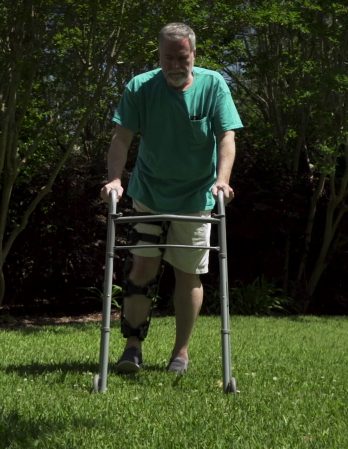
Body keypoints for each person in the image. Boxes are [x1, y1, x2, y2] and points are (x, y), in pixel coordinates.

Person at [99, 22, 243, 374]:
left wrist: (223, 181)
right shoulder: (140, 86)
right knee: (143, 267)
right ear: (159, 56)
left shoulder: (213, 85)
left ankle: (181, 353)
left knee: (187, 274)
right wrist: (115, 179)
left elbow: (227, 137)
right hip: (149, 192)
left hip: (196, 196)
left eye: (182, 57)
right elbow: (121, 138)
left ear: (194, 54)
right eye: (168, 58)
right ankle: (132, 347)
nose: (176, 65)